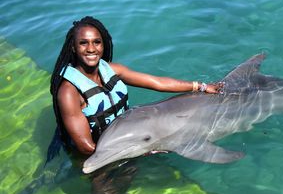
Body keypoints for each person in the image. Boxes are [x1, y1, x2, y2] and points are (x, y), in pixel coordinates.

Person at [48, 16, 222, 160]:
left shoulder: (113, 70)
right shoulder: (69, 93)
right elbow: (85, 147)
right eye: (83, 43)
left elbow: (157, 82)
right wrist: (135, 150)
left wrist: (200, 86)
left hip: (126, 141)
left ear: (103, 45)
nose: (91, 49)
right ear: (73, 47)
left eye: (96, 42)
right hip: (96, 153)